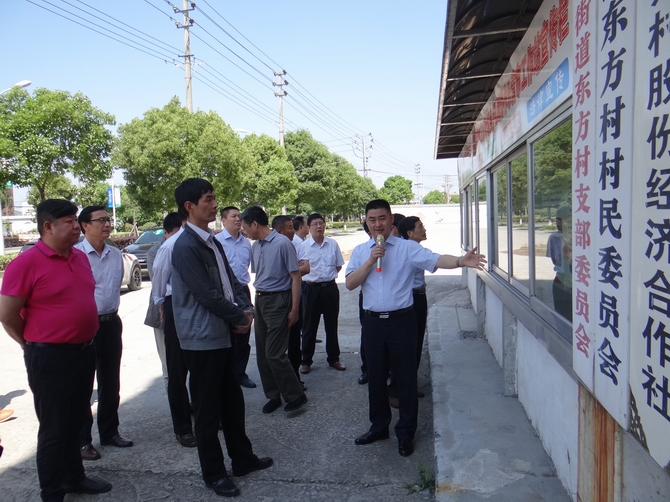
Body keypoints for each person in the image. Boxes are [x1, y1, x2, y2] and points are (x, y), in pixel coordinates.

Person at [346, 199, 486, 457]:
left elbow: (435, 259)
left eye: (382, 218)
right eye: (372, 219)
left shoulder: (407, 248)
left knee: (406, 378)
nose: (377, 224)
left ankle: (406, 433)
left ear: (391, 220)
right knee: (376, 377)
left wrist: (460, 261)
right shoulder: (360, 251)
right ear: (366, 222)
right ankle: (379, 426)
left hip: (402, 321)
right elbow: (350, 283)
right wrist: (369, 261)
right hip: (373, 323)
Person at [0, 199, 112, 501]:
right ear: (48, 226)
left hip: (83, 351)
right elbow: (7, 315)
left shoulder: (79, 257)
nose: (77, 226)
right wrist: (31, 343)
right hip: (50, 357)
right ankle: (52, 492)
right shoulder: (25, 264)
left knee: (76, 421)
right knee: (54, 428)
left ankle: (74, 478)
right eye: (69, 221)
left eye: (76, 220)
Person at [170, 179, 272, 497]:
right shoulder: (185, 246)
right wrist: (239, 317)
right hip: (202, 340)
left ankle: (242, 459)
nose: (215, 204)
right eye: (208, 199)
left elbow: (231, 282)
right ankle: (214, 473)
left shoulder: (211, 241)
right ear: (189, 206)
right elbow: (206, 294)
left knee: (232, 402)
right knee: (207, 410)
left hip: (223, 335)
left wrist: (246, 308)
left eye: (214, 197)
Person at [75, 206, 133, 461]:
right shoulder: (76, 255)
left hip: (111, 323)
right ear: (85, 225)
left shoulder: (115, 254)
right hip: (85, 325)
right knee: (83, 384)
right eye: (100, 220)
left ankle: (110, 431)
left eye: (108, 220)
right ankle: (83, 440)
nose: (107, 224)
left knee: (111, 382)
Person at [240, 206, 308, 414]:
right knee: (262, 353)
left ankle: (296, 395)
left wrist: (294, 309)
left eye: (245, 227)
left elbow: (295, 277)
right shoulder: (255, 246)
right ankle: (273, 395)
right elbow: (261, 275)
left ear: (254, 224)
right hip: (260, 299)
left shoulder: (282, 243)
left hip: (279, 300)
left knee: (274, 354)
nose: (244, 231)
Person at [149, 212, 196, 448]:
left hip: (200, 307)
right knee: (177, 372)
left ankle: (205, 416)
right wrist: (163, 306)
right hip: (175, 307)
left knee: (201, 368)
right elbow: (159, 285)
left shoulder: (206, 241)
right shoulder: (170, 246)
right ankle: (183, 428)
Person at [215, 206, 256, 389]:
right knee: (226, 333)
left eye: (239, 216)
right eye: (233, 216)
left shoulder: (246, 243)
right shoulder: (216, 242)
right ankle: (227, 375)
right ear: (223, 221)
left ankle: (240, 373)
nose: (238, 219)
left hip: (243, 290)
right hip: (225, 291)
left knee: (244, 333)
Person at [299, 213, 346, 374]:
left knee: (331, 325)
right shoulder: (303, 246)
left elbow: (338, 266)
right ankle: (306, 361)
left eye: (321, 223)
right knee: (309, 326)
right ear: (309, 227)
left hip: (330, 288)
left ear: (325, 225)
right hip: (310, 289)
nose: (319, 226)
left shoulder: (332, 244)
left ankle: (334, 358)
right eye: (315, 224)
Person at [144, 213, 183, 389]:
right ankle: (175, 398)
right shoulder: (156, 252)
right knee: (169, 363)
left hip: (184, 310)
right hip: (163, 309)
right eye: (175, 234)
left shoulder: (186, 246)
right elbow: (159, 282)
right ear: (166, 233)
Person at [272, 215, 310, 390]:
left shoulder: (297, 244)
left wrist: (287, 272)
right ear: (279, 231)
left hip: (294, 295)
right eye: (289, 228)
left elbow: (306, 268)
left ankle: (295, 379)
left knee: (294, 341)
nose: (293, 231)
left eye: (293, 227)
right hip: (275, 299)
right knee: (276, 343)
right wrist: (293, 269)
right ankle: (278, 381)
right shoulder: (266, 245)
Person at [547, 205, 572, 321]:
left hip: (572, 283)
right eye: (557, 220)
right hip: (561, 282)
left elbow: (554, 260)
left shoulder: (580, 237)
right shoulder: (554, 237)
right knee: (562, 317)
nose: (557, 223)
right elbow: (554, 260)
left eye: (560, 220)